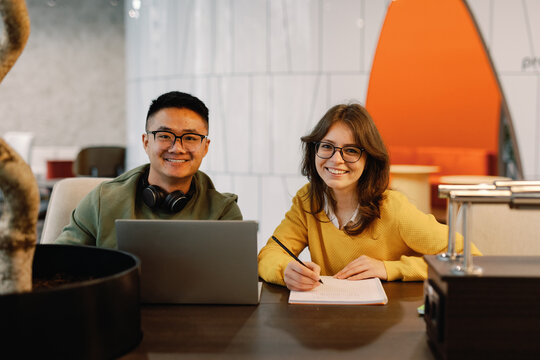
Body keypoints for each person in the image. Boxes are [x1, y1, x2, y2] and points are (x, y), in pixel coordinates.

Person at [257, 103, 480, 291]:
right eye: (327, 147)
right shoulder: (307, 200)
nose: (336, 159)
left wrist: (390, 268)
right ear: (314, 151)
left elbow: (469, 257)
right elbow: (270, 254)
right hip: (326, 323)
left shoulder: (393, 209)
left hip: (386, 324)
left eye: (351, 150)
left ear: (369, 160)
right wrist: (285, 270)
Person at [55, 91, 242, 248]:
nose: (177, 148)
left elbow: (235, 280)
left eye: (190, 138)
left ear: (205, 147)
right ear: (146, 142)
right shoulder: (102, 201)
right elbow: (57, 264)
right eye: (164, 136)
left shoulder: (223, 213)